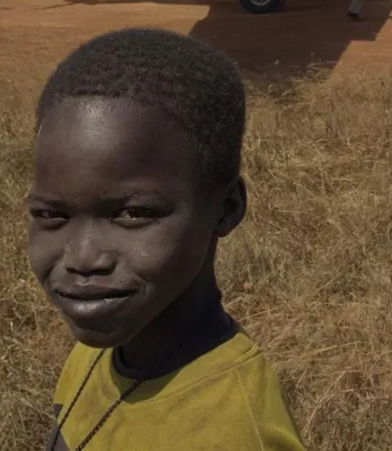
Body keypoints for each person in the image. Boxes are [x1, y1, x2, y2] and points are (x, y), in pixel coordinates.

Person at [30, 29, 305, 450]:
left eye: (134, 214)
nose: (82, 258)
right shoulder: (102, 349)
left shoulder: (232, 433)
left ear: (226, 208)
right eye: (51, 215)